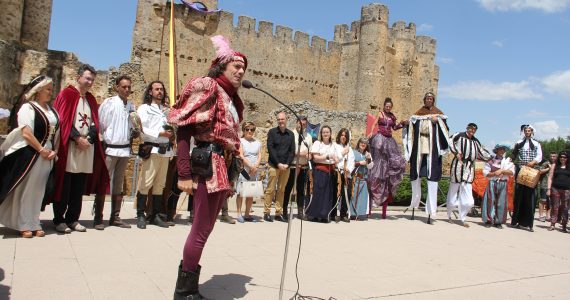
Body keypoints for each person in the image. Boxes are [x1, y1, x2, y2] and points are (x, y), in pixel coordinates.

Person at [168, 35, 246, 299]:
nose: (241, 70)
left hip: (223, 166)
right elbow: (183, 130)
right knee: (200, 229)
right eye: (236, 66)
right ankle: (184, 291)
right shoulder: (208, 86)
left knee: (206, 228)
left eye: (243, 67)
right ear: (221, 66)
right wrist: (183, 174)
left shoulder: (232, 99)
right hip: (207, 165)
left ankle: (189, 284)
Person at [51, 64, 109, 233]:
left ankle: (73, 219)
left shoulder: (90, 99)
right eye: (87, 78)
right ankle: (59, 219)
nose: (90, 82)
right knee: (65, 183)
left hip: (86, 149)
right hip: (69, 146)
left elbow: (94, 123)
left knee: (79, 186)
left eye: (92, 79)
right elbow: (62, 120)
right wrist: (77, 138)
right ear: (78, 77)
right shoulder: (66, 95)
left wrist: (89, 139)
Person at [0, 76, 59, 238]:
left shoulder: (51, 110)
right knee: (27, 189)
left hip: (47, 155)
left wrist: (55, 151)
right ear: (38, 90)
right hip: (31, 153)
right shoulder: (29, 108)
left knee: (38, 191)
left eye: (51, 89)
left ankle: (34, 222)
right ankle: (23, 224)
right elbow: (26, 132)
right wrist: (41, 149)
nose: (50, 92)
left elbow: (55, 134)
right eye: (48, 89)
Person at [92, 75, 136, 230]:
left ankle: (115, 217)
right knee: (104, 182)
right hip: (111, 148)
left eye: (129, 87)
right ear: (117, 87)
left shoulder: (131, 105)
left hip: (124, 150)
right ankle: (98, 217)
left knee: (118, 184)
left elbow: (132, 126)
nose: (127, 89)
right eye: (124, 86)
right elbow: (101, 124)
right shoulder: (109, 103)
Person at [402, 92, 450, 224]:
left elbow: (446, 129)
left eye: (431, 98)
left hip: (432, 148)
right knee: (416, 175)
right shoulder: (418, 113)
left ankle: (431, 210)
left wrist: (438, 121)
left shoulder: (438, 113)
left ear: (433, 100)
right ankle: (414, 203)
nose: (429, 100)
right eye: (427, 98)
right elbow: (412, 125)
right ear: (424, 100)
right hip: (420, 146)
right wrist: (407, 123)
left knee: (432, 179)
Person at [135, 80, 174, 229]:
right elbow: (142, 129)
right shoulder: (144, 108)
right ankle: (140, 214)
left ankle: (156, 215)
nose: (160, 92)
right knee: (146, 183)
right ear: (150, 92)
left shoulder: (165, 110)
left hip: (165, 150)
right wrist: (160, 133)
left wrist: (171, 133)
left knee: (160, 184)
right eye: (156, 89)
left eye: (161, 89)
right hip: (152, 149)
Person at [368, 98, 407, 219]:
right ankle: (376, 182)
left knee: (395, 161)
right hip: (380, 139)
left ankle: (387, 175)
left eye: (390, 106)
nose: (388, 108)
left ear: (391, 106)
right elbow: (374, 124)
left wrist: (402, 123)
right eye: (387, 106)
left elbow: (394, 128)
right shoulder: (380, 114)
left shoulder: (392, 117)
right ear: (384, 106)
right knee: (378, 162)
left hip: (389, 141)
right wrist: (370, 132)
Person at [446, 123, 491, 227]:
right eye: (471, 128)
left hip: (469, 167)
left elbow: (482, 152)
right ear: (467, 128)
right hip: (458, 165)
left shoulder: (476, 141)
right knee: (453, 191)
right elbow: (449, 141)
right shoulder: (459, 135)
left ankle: (463, 217)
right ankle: (449, 215)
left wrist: (492, 158)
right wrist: (456, 152)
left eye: (474, 129)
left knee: (469, 199)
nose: (472, 130)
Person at [263, 111, 295, 222]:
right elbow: (270, 149)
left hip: (286, 167)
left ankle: (278, 212)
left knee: (282, 190)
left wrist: (287, 164)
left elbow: (292, 151)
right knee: (270, 189)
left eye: (283, 119)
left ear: (286, 119)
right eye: (279, 119)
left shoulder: (291, 134)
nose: (281, 121)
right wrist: (278, 164)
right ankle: (266, 212)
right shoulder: (272, 132)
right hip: (274, 165)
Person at [511, 124, 542, 232]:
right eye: (526, 131)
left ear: (532, 132)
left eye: (529, 131)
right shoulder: (519, 143)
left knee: (531, 196)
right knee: (519, 195)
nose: (527, 132)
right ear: (523, 132)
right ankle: (516, 221)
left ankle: (529, 223)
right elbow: (514, 155)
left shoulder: (536, 143)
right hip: (521, 169)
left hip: (531, 170)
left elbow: (539, 156)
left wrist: (533, 162)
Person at [306, 126, 338, 222]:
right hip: (320, 171)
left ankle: (324, 216)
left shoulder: (334, 145)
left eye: (327, 132)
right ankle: (314, 215)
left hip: (330, 171)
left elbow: (337, 157)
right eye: (324, 132)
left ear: (330, 133)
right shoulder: (317, 143)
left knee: (327, 194)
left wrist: (336, 159)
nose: (325, 134)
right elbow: (315, 158)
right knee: (318, 193)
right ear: (321, 133)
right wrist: (327, 156)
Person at [283, 116, 313, 219]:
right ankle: (284, 211)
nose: (302, 126)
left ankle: (300, 212)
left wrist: (309, 155)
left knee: (301, 190)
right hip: (292, 166)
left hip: (304, 167)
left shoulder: (308, 136)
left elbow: (311, 151)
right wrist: (299, 153)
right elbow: (287, 150)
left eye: (304, 124)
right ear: (296, 123)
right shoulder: (290, 134)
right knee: (288, 189)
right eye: (300, 123)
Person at [481, 144, 515, 228]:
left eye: (503, 149)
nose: (502, 151)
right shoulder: (491, 161)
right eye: (500, 149)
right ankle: (488, 220)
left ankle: (498, 222)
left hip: (503, 183)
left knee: (501, 202)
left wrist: (502, 171)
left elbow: (512, 172)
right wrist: (494, 173)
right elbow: (485, 173)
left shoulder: (508, 162)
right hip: (492, 182)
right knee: (489, 201)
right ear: (496, 150)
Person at [236, 122, 262, 222]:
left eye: (252, 129)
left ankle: (247, 214)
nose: (249, 131)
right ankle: (239, 213)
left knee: (251, 192)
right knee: (241, 192)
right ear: (244, 130)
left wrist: (256, 166)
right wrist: (250, 165)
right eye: (247, 129)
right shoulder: (241, 141)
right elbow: (241, 155)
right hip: (244, 169)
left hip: (254, 170)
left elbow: (259, 155)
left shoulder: (257, 142)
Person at [332, 128, 354, 222]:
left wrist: (349, 169)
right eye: (342, 135)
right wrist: (343, 153)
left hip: (346, 174)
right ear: (339, 135)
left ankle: (343, 214)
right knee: (336, 194)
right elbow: (334, 158)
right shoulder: (334, 146)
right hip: (337, 173)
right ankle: (333, 214)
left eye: (345, 135)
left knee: (347, 195)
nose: (343, 137)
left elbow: (352, 160)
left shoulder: (350, 148)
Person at [546, 151, 570, 232]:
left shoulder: (569, 167)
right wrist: (548, 189)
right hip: (555, 188)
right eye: (561, 157)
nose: (562, 158)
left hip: (567, 190)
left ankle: (564, 225)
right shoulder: (554, 165)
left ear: (567, 158)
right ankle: (552, 224)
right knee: (555, 207)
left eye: (564, 157)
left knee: (565, 208)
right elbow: (550, 178)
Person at [350, 137, 373, 220]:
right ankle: (351, 214)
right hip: (354, 178)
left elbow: (370, 167)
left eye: (365, 143)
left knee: (361, 198)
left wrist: (369, 159)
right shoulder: (353, 152)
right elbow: (350, 164)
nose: (363, 144)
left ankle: (358, 214)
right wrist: (359, 163)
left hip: (363, 179)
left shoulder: (367, 154)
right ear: (358, 143)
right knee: (352, 197)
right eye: (361, 142)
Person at [538, 152, 557, 222]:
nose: (552, 157)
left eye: (554, 156)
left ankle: (548, 216)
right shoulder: (546, 163)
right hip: (544, 184)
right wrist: (549, 169)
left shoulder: (558, 164)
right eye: (551, 156)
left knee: (550, 201)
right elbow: (540, 171)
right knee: (543, 200)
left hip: (554, 185)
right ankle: (541, 215)